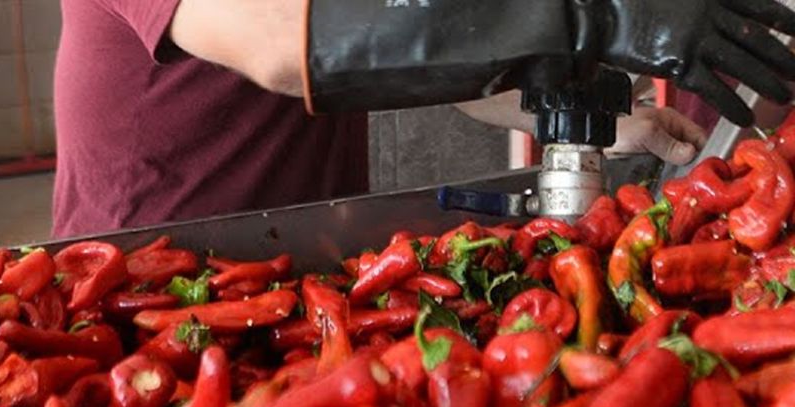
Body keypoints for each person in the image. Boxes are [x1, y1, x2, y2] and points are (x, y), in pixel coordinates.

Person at [53, 0, 795, 238]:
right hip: (144, 257)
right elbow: (282, 44)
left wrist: (568, 108)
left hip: (301, 255)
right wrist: (593, 17)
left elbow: (406, 56)